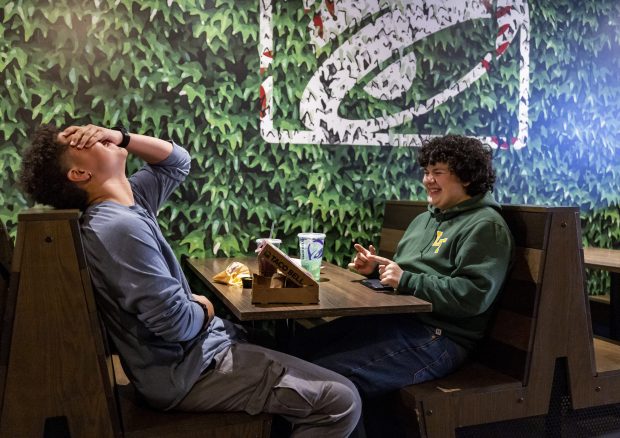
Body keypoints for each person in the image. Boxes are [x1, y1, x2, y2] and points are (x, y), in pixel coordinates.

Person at [19, 124, 361, 438]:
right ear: (80, 173)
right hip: (187, 372)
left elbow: (177, 162)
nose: (93, 133)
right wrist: (205, 305)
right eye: (80, 140)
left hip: (194, 357)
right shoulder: (117, 228)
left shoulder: (131, 204)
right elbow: (176, 324)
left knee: (318, 355)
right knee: (341, 401)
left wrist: (120, 136)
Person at [291, 134, 515, 436]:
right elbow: (405, 275)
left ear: (467, 176)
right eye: (426, 171)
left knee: (333, 381)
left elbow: (473, 296)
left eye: (438, 172)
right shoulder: (425, 219)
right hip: (398, 321)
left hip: (440, 337)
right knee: (299, 351)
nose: (427, 180)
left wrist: (406, 279)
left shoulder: (486, 226)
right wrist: (377, 270)